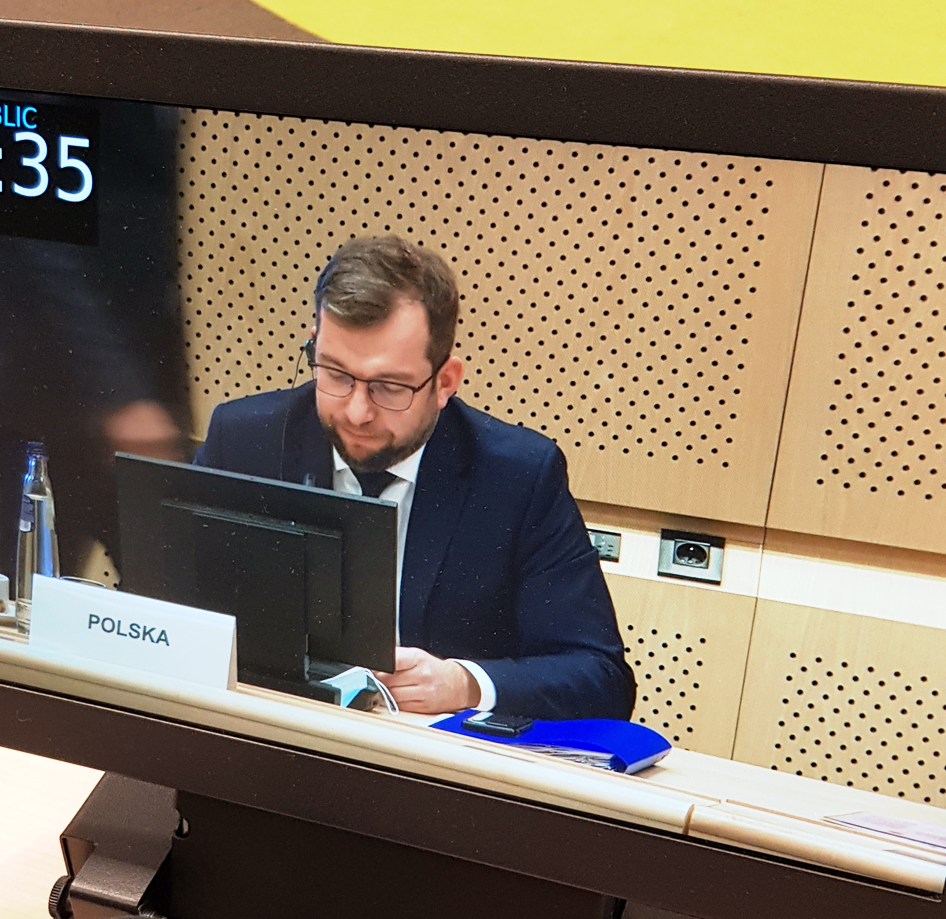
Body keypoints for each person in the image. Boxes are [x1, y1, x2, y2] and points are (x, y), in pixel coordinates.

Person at [194, 236, 635, 721]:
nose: (357, 412)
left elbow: (600, 677)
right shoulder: (244, 442)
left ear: (445, 382)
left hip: (425, 756)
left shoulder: (518, 477)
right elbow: (161, 617)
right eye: (336, 374)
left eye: (388, 387)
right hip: (262, 736)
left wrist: (465, 684)